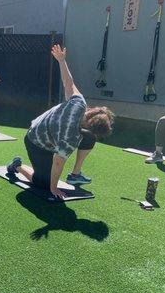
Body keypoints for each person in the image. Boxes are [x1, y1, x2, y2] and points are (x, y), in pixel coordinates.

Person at [6, 44, 115, 199]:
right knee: (42, 183)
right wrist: (53, 188)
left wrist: (62, 61)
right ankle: (17, 166)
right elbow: (58, 162)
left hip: (49, 131)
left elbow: (67, 82)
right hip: (36, 141)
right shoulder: (69, 139)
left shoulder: (79, 103)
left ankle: (75, 175)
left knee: (89, 139)